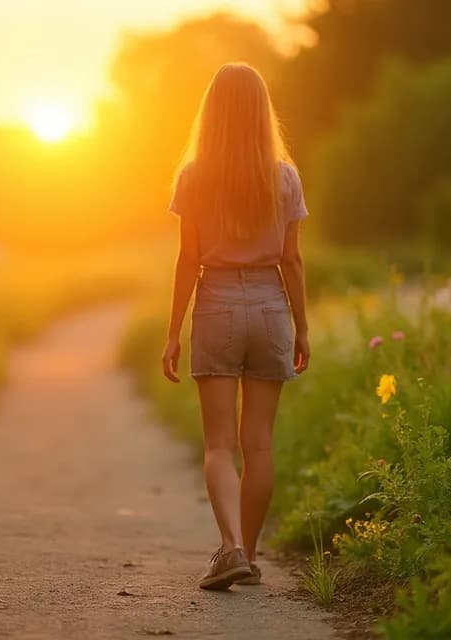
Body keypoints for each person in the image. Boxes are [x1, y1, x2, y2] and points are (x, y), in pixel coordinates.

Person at [160, 63, 311, 591]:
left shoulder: (195, 175)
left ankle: (231, 549)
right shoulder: (285, 177)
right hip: (271, 306)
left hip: (218, 301)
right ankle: (247, 552)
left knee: (220, 444)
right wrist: (303, 328)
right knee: (260, 443)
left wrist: (173, 331)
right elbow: (292, 261)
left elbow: (188, 259)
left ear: (213, 112)